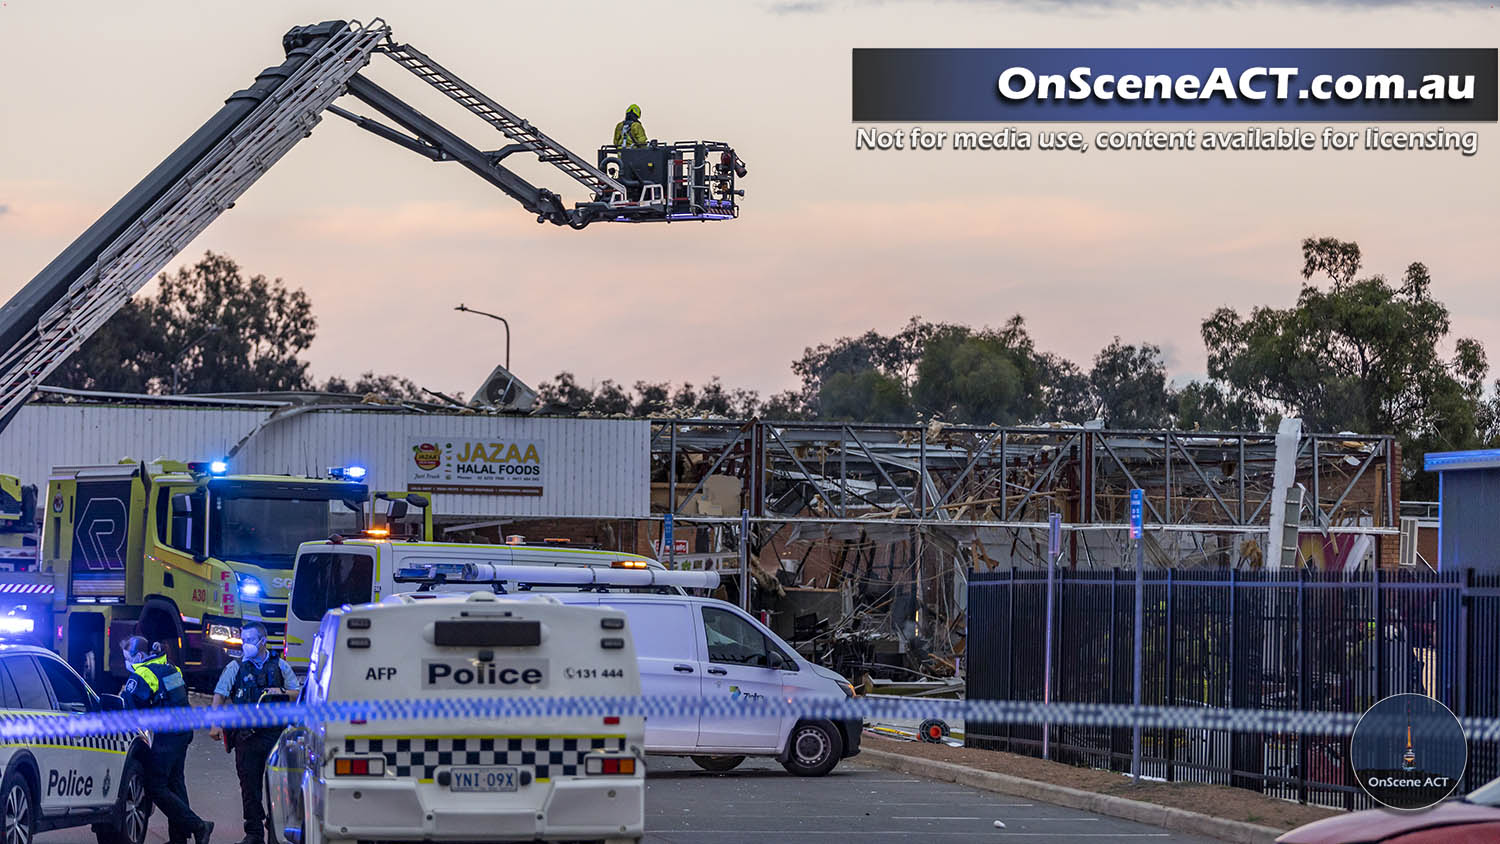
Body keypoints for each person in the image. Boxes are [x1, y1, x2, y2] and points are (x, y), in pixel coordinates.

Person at [209, 622, 299, 844]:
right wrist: (215, 724)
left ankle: (277, 829)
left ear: (263, 641)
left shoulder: (280, 666)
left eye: (250, 640)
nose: (246, 645)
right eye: (244, 640)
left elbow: (297, 692)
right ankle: (254, 832)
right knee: (249, 785)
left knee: (279, 784)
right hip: (246, 737)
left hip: (275, 736)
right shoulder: (236, 667)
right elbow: (219, 695)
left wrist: (282, 692)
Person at [121, 636, 213, 844]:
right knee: (175, 784)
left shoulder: (142, 675)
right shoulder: (171, 668)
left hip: (167, 736)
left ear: (140, 655)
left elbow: (129, 711)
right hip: (182, 732)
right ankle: (178, 839)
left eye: (128, 657)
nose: (127, 662)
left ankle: (199, 826)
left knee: (155, 786)